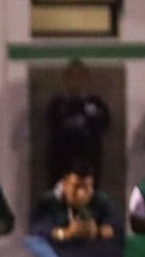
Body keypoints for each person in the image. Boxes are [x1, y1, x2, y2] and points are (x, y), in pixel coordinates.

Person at [47, 59, 110, 188]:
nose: (76, 81)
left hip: (89, 162)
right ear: (65, 79)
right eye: (72, 77)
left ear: (86, 79)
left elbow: (105, 123)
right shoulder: (57, 104)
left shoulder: (95, 103)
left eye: (79, 77)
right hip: (62, 164)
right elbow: (52, 124)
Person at [30, 160, 116, 244]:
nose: (81, 194)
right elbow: (38, 230)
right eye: (76, 187)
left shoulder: (101, 201)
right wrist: (66, 233)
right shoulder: (48, 202)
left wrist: (97, 231)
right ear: (64, 184)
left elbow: (114, 227)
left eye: (86, 187)